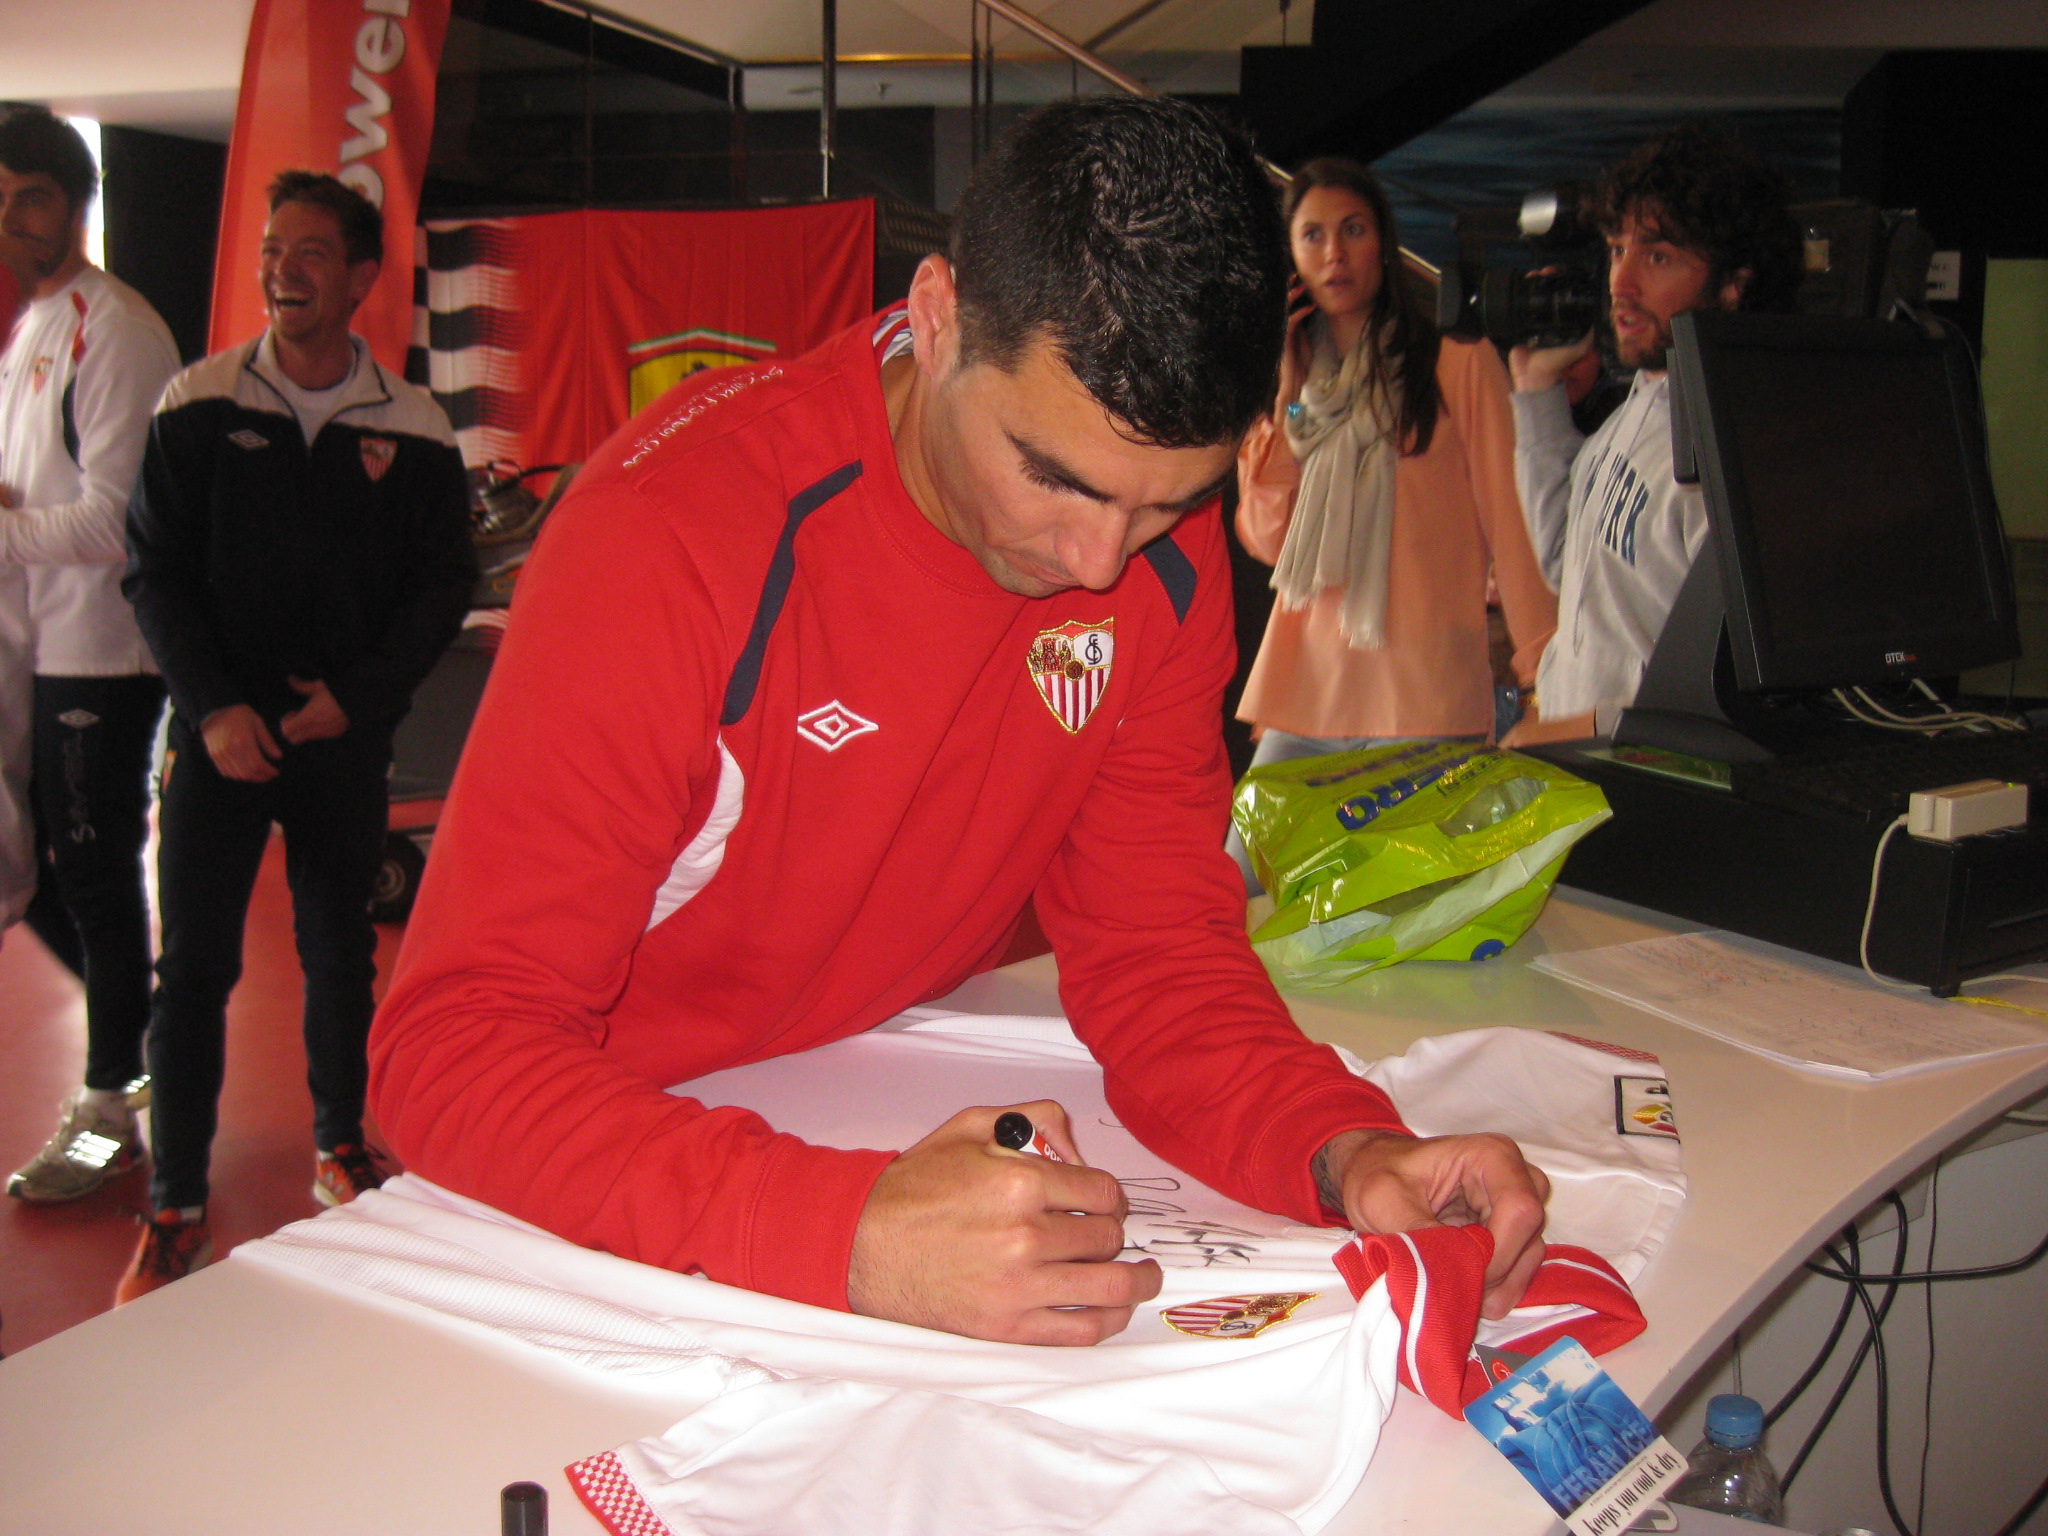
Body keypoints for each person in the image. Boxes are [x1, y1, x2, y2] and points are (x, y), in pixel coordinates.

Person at [369, 98, 1550, 1349]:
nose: (1099, 560)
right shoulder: (670, 537)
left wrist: (1338, 1144)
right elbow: (446, 1051)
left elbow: (1155, 953)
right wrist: (844, 1230)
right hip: (589, 1186)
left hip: (845, 1102)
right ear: (934, 319)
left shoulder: (1156, 546)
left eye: (1168, 502)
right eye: (1051, 475)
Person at [119, 170, 474, 1300]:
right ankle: (175, 1196)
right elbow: (154, 572)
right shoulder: (198, 402)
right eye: (275, 249)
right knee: (195, 970)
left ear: (362, 278)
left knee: (338, 951)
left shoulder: (412, 426)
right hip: (218, 739)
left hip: (340, 742)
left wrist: (355, 701)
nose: (283, 269)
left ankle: (339, 1146)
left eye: (311, 251)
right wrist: (214, 707)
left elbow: (440, 589)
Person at [1229, 158, 1555, 889]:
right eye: (1313, 236)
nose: (1334, 254)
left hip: (1424, 696)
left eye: (1353, 230)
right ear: (1293, 259)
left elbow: (1513, 524)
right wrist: (1285, 399)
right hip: (1308, 689)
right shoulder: (1297, 385)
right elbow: (1268, 539)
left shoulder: (1457, 363)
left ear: (1384, 241)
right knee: (1236, 893)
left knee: (1402, 917)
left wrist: (1544, 675)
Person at [1, 105, 180, 1204]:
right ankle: (154, 1034)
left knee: (93, 874)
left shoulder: (114, 330)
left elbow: (118, 520)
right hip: (41, 644)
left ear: (73, 204)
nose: (12, 220)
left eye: (30, 198)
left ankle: (111, 1109)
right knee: (37, 875)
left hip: (105, 653)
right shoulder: (33, 324)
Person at [1507, 123, 1800, 741]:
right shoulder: (1642, 400)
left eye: (1657, 256)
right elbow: (1565, 566)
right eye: (1617, 251)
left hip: (1646, 774)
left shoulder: (1737, 442)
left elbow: (1728, 698)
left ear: (1733, 284)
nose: (1621, 283)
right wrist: (1536, 394)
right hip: (1579, 757)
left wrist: (1578, 728)